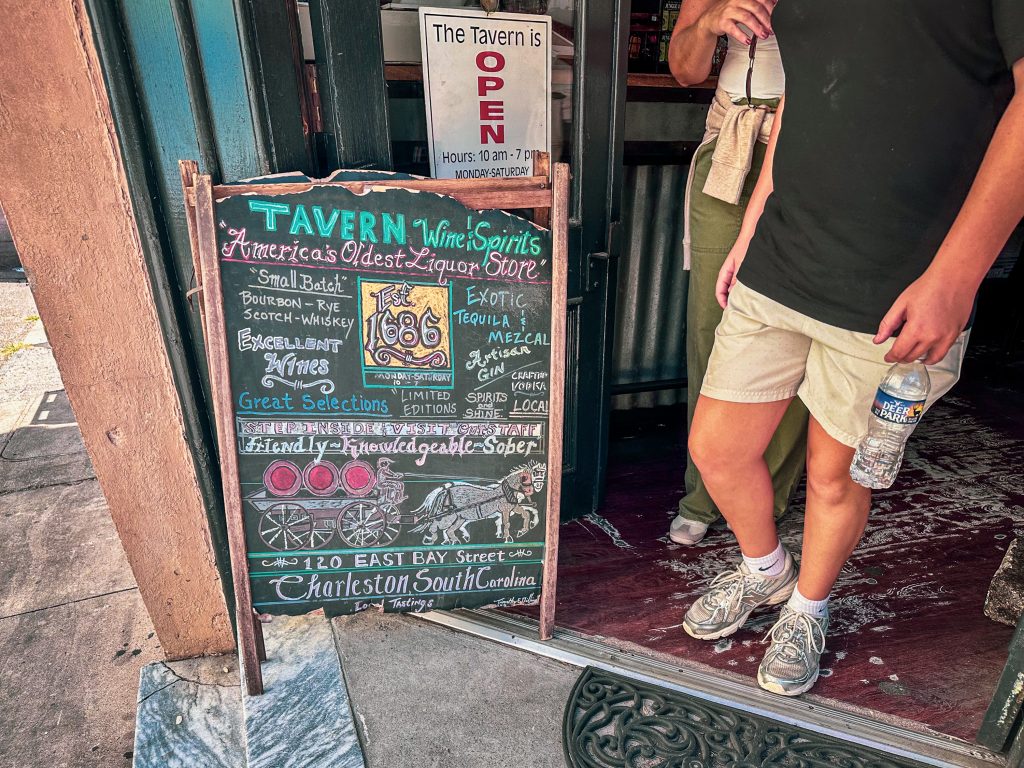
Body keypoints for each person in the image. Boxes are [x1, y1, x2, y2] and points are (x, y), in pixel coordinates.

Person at [683, 1, 1024, 696]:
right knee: (717, 447)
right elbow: (807, 97)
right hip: (785, 251)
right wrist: (752, 227)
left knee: (834, 475)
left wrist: (957, 278)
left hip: (896, 278)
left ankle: (808, 607)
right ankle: (764, 571)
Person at [666, 0, 809, 546]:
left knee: (797, 323)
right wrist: (708, 21)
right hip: (731, 143)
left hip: (812, 146)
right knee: (713, 323)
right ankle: (705, 493)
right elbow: (685, 69)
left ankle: (767, 496)